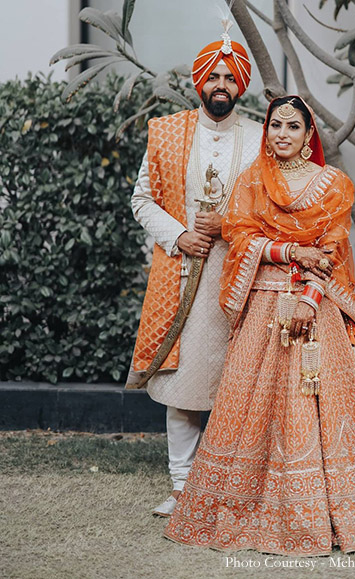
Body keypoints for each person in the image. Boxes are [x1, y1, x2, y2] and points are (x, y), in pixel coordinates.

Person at [164, 96, 355, 555]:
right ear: (267, 131)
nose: (282, 134)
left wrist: (309, 300)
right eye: (275, 126)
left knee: (318, 403)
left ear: (309, 135)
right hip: (263, 305)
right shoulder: (252, 181)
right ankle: (252, 507)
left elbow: (331, 248)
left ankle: (331, 509)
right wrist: (290, 251)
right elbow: (239, 236)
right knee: (253, 403)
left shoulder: (334, 184)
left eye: (293, 126)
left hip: (315, 306)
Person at [125, 30, 262, 517]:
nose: (221, 84)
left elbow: (274, 206)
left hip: (245, 275)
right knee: (184, 381)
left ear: (240, 86)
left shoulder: (260, 138)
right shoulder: (167, 131)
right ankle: (183, 487)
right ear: (200, 82)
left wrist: (227, 224)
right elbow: (141, 199)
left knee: (239, 383)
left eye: (230, 77)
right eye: (214, 76)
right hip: (183, 271)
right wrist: (180, 234)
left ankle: (231, 485)